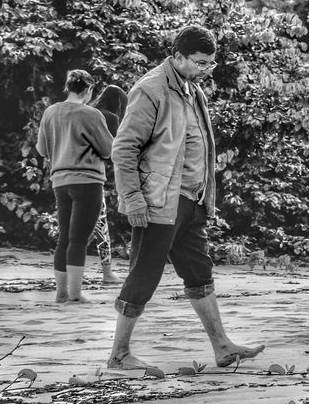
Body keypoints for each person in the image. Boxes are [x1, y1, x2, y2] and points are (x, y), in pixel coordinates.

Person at [107, 26, 264, 371]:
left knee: (199, 272)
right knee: (144, 274)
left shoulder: (193, 90)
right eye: (200, 62)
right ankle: (119, 354)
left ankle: (222, 345)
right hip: (160, 200)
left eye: (211, 64)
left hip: (191, 199)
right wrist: (132, 199)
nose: (206, 69)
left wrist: (206, 196)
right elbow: (124, 148)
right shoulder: (150, 89)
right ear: (178, 56)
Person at [35, 69, 114, 304]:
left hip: (60, 181)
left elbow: (41, 149)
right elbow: (108, 150)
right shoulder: (91, 114)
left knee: (65, 238)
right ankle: (76, 294)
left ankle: (61, 294)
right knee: (79, 239)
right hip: (88, 181)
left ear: (67, 87)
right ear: (88, 90)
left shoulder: (51, 112)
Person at [89, 84, 129, 284]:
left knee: (73, 228)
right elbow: (112, 150)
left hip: (66, 175)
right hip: (94, 176)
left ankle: (67, 274)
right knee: (101, 227)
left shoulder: (88, 112)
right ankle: (107, 272)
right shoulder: (110, 118)